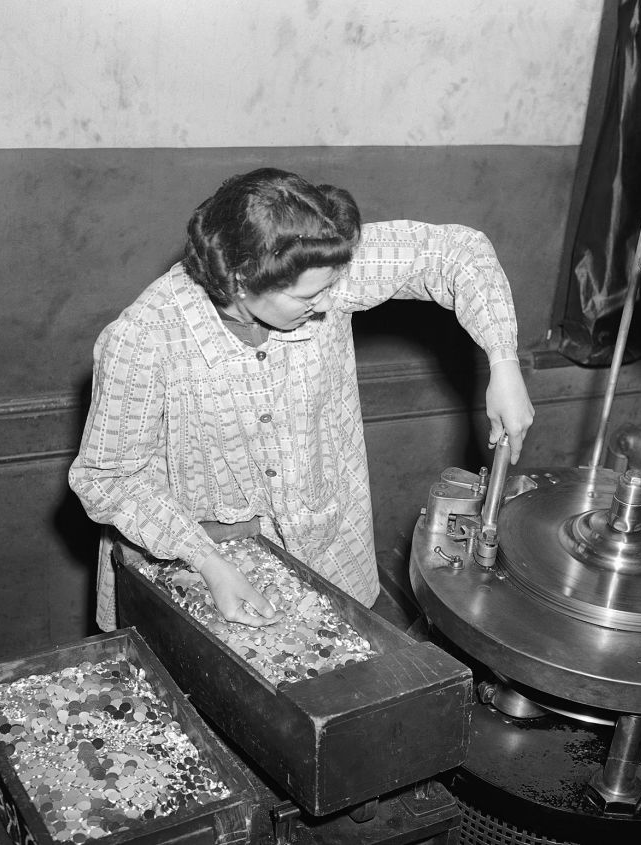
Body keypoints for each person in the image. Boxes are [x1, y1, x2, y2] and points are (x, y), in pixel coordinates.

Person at [69, 167, 535, 631]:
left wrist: (503, 361)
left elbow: (460, 252)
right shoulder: (144, 339)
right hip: (192, 564)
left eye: (333, 287)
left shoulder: (317, 268)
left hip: (329, 551)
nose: (331, 303)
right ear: (238, 281)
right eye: (309, 298)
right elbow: (107, 479)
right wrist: (206, 559)